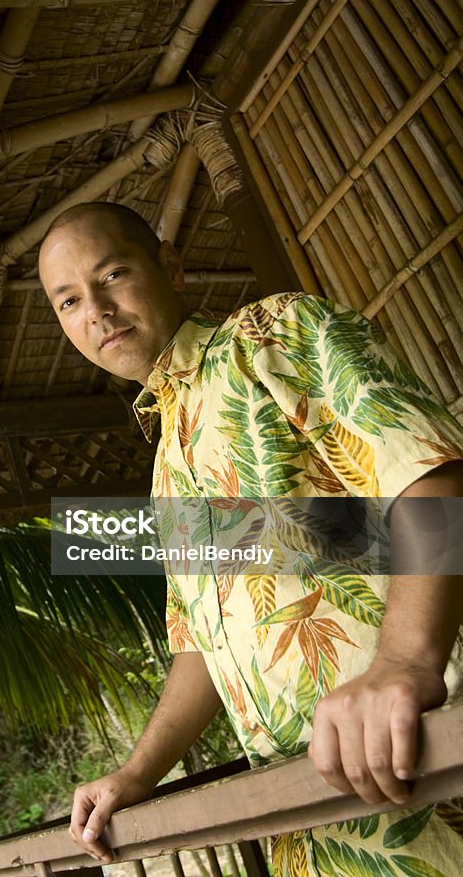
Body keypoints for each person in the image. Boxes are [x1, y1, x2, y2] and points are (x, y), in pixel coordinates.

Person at [38, 201, 463, 876]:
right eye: (68, 301)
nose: (96, 309)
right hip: (316, 826)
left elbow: (432, 479)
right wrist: (138, 771)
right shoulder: (166, 467)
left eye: (112, 274)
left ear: (169, 265)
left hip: (430, 763)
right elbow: (206, 641)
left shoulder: (275, 335)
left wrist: (407, 664)